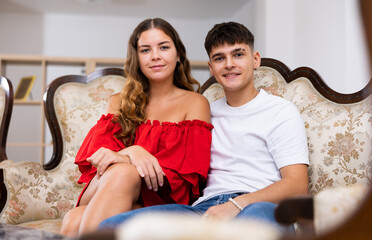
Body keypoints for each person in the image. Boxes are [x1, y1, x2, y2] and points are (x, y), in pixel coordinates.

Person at [99, 21, 309, 231]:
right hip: (203, 210)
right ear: (211, 68)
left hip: (258, 206)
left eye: (238, 54)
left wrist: (236, 204)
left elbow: (297, 185)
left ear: (255, 60)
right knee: (113, 226)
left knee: (254, 221)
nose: (229, 64)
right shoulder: (203, 113)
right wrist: (131, 154)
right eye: (219, 58)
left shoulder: (280, 111)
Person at [60, 18, 213, 237]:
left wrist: (124, 158)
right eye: (145, 50)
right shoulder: (118, 102)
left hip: (163, 200)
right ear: (137, 58)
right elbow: (100, 163)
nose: (155, 56)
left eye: (164, 47)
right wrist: (133, 152)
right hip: (102, 189)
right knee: (121, 171)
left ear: (178, 54)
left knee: (74, 219)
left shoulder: (195, 103)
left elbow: (185, 182)